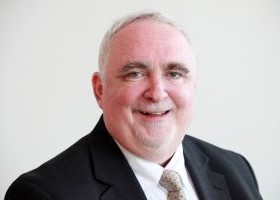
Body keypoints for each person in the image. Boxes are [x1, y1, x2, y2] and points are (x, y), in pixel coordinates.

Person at [5, 11, 262, 200]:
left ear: (193, 85)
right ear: (100, 90)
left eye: (174, 73)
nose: (157, 93)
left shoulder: (236, 169)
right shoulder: (42, 194)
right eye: (135, 73)